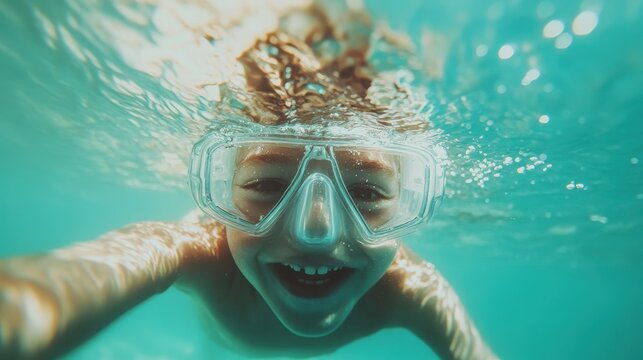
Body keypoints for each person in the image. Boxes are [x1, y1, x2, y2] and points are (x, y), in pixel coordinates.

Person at [0, 3, 497, 359]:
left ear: (408, 207)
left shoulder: (406, 289)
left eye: (366, 193)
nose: (314, 235)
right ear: (220, 194)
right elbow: (65, 285)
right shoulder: (201, 254)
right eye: (265, 185)